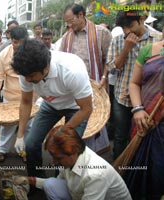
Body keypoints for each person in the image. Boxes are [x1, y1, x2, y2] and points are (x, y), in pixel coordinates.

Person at [11, 39, 93, 178]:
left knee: (64, 148)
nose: (27, 80)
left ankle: (61, 181)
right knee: (31, 144)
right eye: (25, 76)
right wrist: (19, 135)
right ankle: (37, 180)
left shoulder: (71, 71)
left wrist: (62, 132)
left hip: (75, 107)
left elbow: (86, 108)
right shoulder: (26, 72)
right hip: (50, 104)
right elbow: (26, 102)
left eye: (31, 76)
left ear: (46, 68)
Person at [14, 128, 132, 200]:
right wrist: (28, 180)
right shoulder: (72, 157)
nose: (54, 162)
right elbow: (58, 182)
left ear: (73, 152)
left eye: (58, 158)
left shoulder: (95, 174)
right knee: (50, 184)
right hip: (81, 194)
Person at [106, 9, 162, 159]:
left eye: (129, 25)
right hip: (121, 99)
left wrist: (137, 92)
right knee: (120, 136)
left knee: (142, 136)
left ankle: (136, 169)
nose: (126, 31)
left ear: (142, 19)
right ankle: (119, 170)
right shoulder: (118, 40)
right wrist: (126, 48)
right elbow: (112, 69)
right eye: (123, 27)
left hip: (148, 100)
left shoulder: (157, 39)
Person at [58, 3, 112, 154]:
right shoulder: (66, 38)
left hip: (96, 88)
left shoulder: (101, 33)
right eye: (66, 22)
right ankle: (76, 159)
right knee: (76, 125)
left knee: (95, 124)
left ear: (81, 15)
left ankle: (92, 164)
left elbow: (108, 59)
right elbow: (63, 61)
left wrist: (104, 77)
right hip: (73, 90)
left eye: (71, 21)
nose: (69, 25)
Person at [126, 40, 164, 199]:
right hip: (143, 120)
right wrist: (138, 109)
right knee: (137, 168)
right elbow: (134, 83)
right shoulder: (148, 51)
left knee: (158, 171)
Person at [0, 26, 31, 162]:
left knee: (29, 126)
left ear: (27, 40)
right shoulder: (3, 55)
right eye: (15, 41)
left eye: (21, 42)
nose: (18, 45)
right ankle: (2, 149)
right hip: (10, 97)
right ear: (11, 40)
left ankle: (25, 150)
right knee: (7, 126)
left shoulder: (34, 52)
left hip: (31, 97)